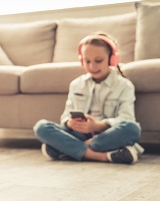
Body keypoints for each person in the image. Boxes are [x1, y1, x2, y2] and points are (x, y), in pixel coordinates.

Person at [33, 32, 144, 164]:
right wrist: (69, 122)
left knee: (132, 129)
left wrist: (97, 125)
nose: (92, 66)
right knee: (41, 127)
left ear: (111, 59)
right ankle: (100, 156)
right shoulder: (76, 84)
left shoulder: (125, 86)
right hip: (79, 134)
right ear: (81, 60)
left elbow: (126, 119)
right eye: (87, 61)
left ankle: (67, 149)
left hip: (107, 135)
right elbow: (65, 117)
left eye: (98, 61)